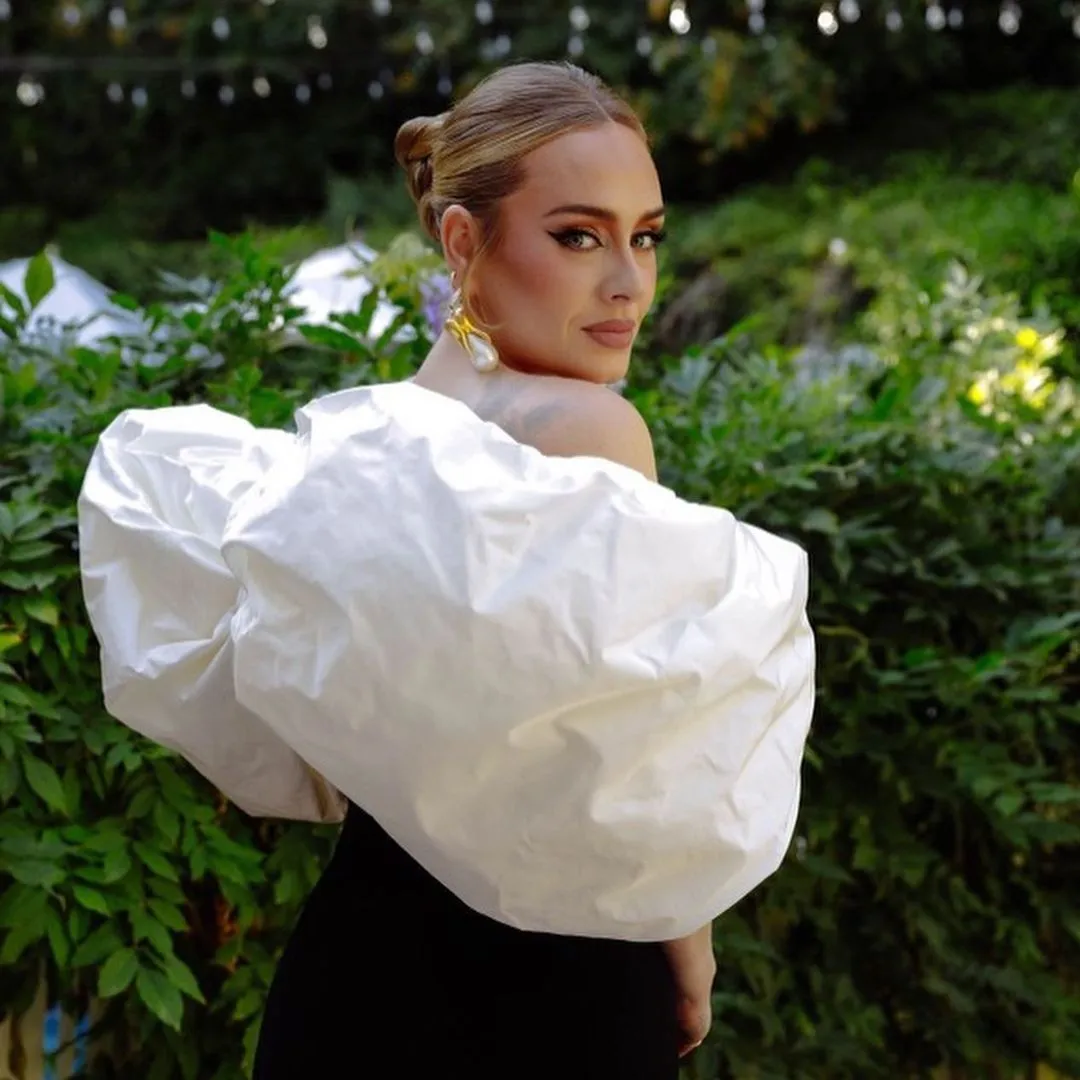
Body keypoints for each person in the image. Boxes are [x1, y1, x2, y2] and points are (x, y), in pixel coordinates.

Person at [78, 61, 814, 1080]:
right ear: (464, 241)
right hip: (547, 987)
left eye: (645, 235)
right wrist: (688, 950)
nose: (629, 282)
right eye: (579, 235)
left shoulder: (365, 448)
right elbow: (630, 769)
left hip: (354, 978)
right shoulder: (588, 427)